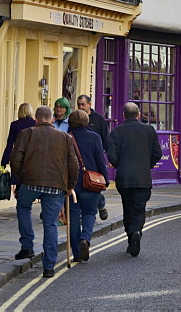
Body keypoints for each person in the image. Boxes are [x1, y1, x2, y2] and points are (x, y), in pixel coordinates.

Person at [10, 105, 78, 277]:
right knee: (50, 224)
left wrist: (20, 180)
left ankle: (27, 246)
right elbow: (73, 164)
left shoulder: (27, 133)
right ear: (52, 119)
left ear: (36, 119)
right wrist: (70, 186)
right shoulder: (64, 137)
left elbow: (15, 159)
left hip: (30, 183)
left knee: (23, 208)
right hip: (56, 185)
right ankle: (49, 267)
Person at [108, 102, 162, 257]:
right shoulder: (149, 130)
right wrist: (147, 164)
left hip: (124, 178)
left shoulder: (117, 131)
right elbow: (157, 153)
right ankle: (136, 231)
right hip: (143, 177)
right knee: (139, 208)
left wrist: (121, 165)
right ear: (138, 115)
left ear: (124, 115)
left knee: (128, 207)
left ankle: (131, 236)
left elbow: (111, 155)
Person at [67, 109, 107, 263]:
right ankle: (85, 238)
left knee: (73, 217)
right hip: (91, 182)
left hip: (72, 184)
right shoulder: (95, 137)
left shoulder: (66, 138)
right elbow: (100, 161)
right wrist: (105, 180)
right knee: (90, 213)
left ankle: (77, 254)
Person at [76, 95, 111, 220]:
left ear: (89, 105)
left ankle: (100, 206)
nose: (80, 107)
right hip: (78, 160)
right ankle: (84, 215)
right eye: (78, 104)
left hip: (94, 160)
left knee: (94, 185)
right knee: (84, 187)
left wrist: (110, 157)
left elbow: (106, 139)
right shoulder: (75, 119)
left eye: (83, 104)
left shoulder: (98, 119)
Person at [1, 103, 35, 168]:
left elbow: (10, 145)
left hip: (17, 158)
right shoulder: (35, 124)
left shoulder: (14, 125)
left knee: (16, 177)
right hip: (31, 158)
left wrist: (4, 162)